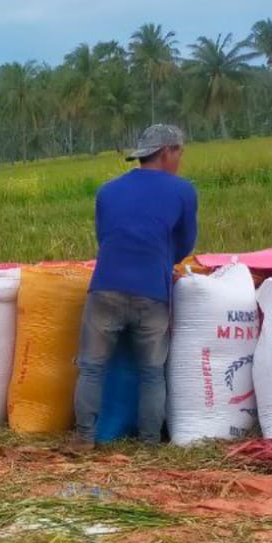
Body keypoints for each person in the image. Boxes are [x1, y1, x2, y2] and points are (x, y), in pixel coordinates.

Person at [73, 124, 198, 444]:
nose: (180, 159)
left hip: (104, 289)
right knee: (152, 373)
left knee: (91, 369)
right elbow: (184, 244)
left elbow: (104, 238)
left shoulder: (107, 191)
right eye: (179, 152)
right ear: (167, 151)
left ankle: (84, 439)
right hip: (152, 293)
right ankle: (149, 442)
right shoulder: (183, 191)